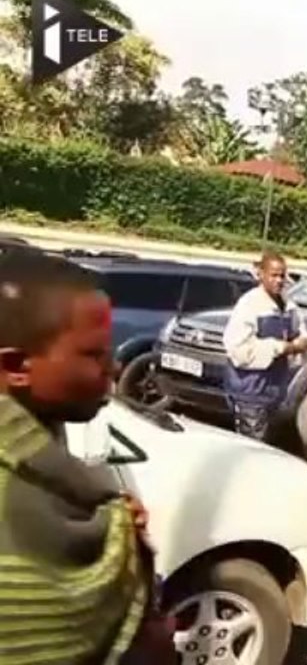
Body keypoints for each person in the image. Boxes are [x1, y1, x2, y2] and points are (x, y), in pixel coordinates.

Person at [0, 249, 174, 663]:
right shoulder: (16, 497)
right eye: (93, 355)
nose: (113, 368)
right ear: (16, 366)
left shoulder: (45, 461)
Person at [222, 251, 307, 439]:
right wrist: (281, 348)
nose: (279, 280)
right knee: (253, 448)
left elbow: (302, 335)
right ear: (261, 274)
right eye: (274, 275)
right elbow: (238, 351)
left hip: (275, 393)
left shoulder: (288, 306)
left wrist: (305, 343)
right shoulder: (250, 305)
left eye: (282, 275)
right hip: (250, 393)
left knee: (268, 450)